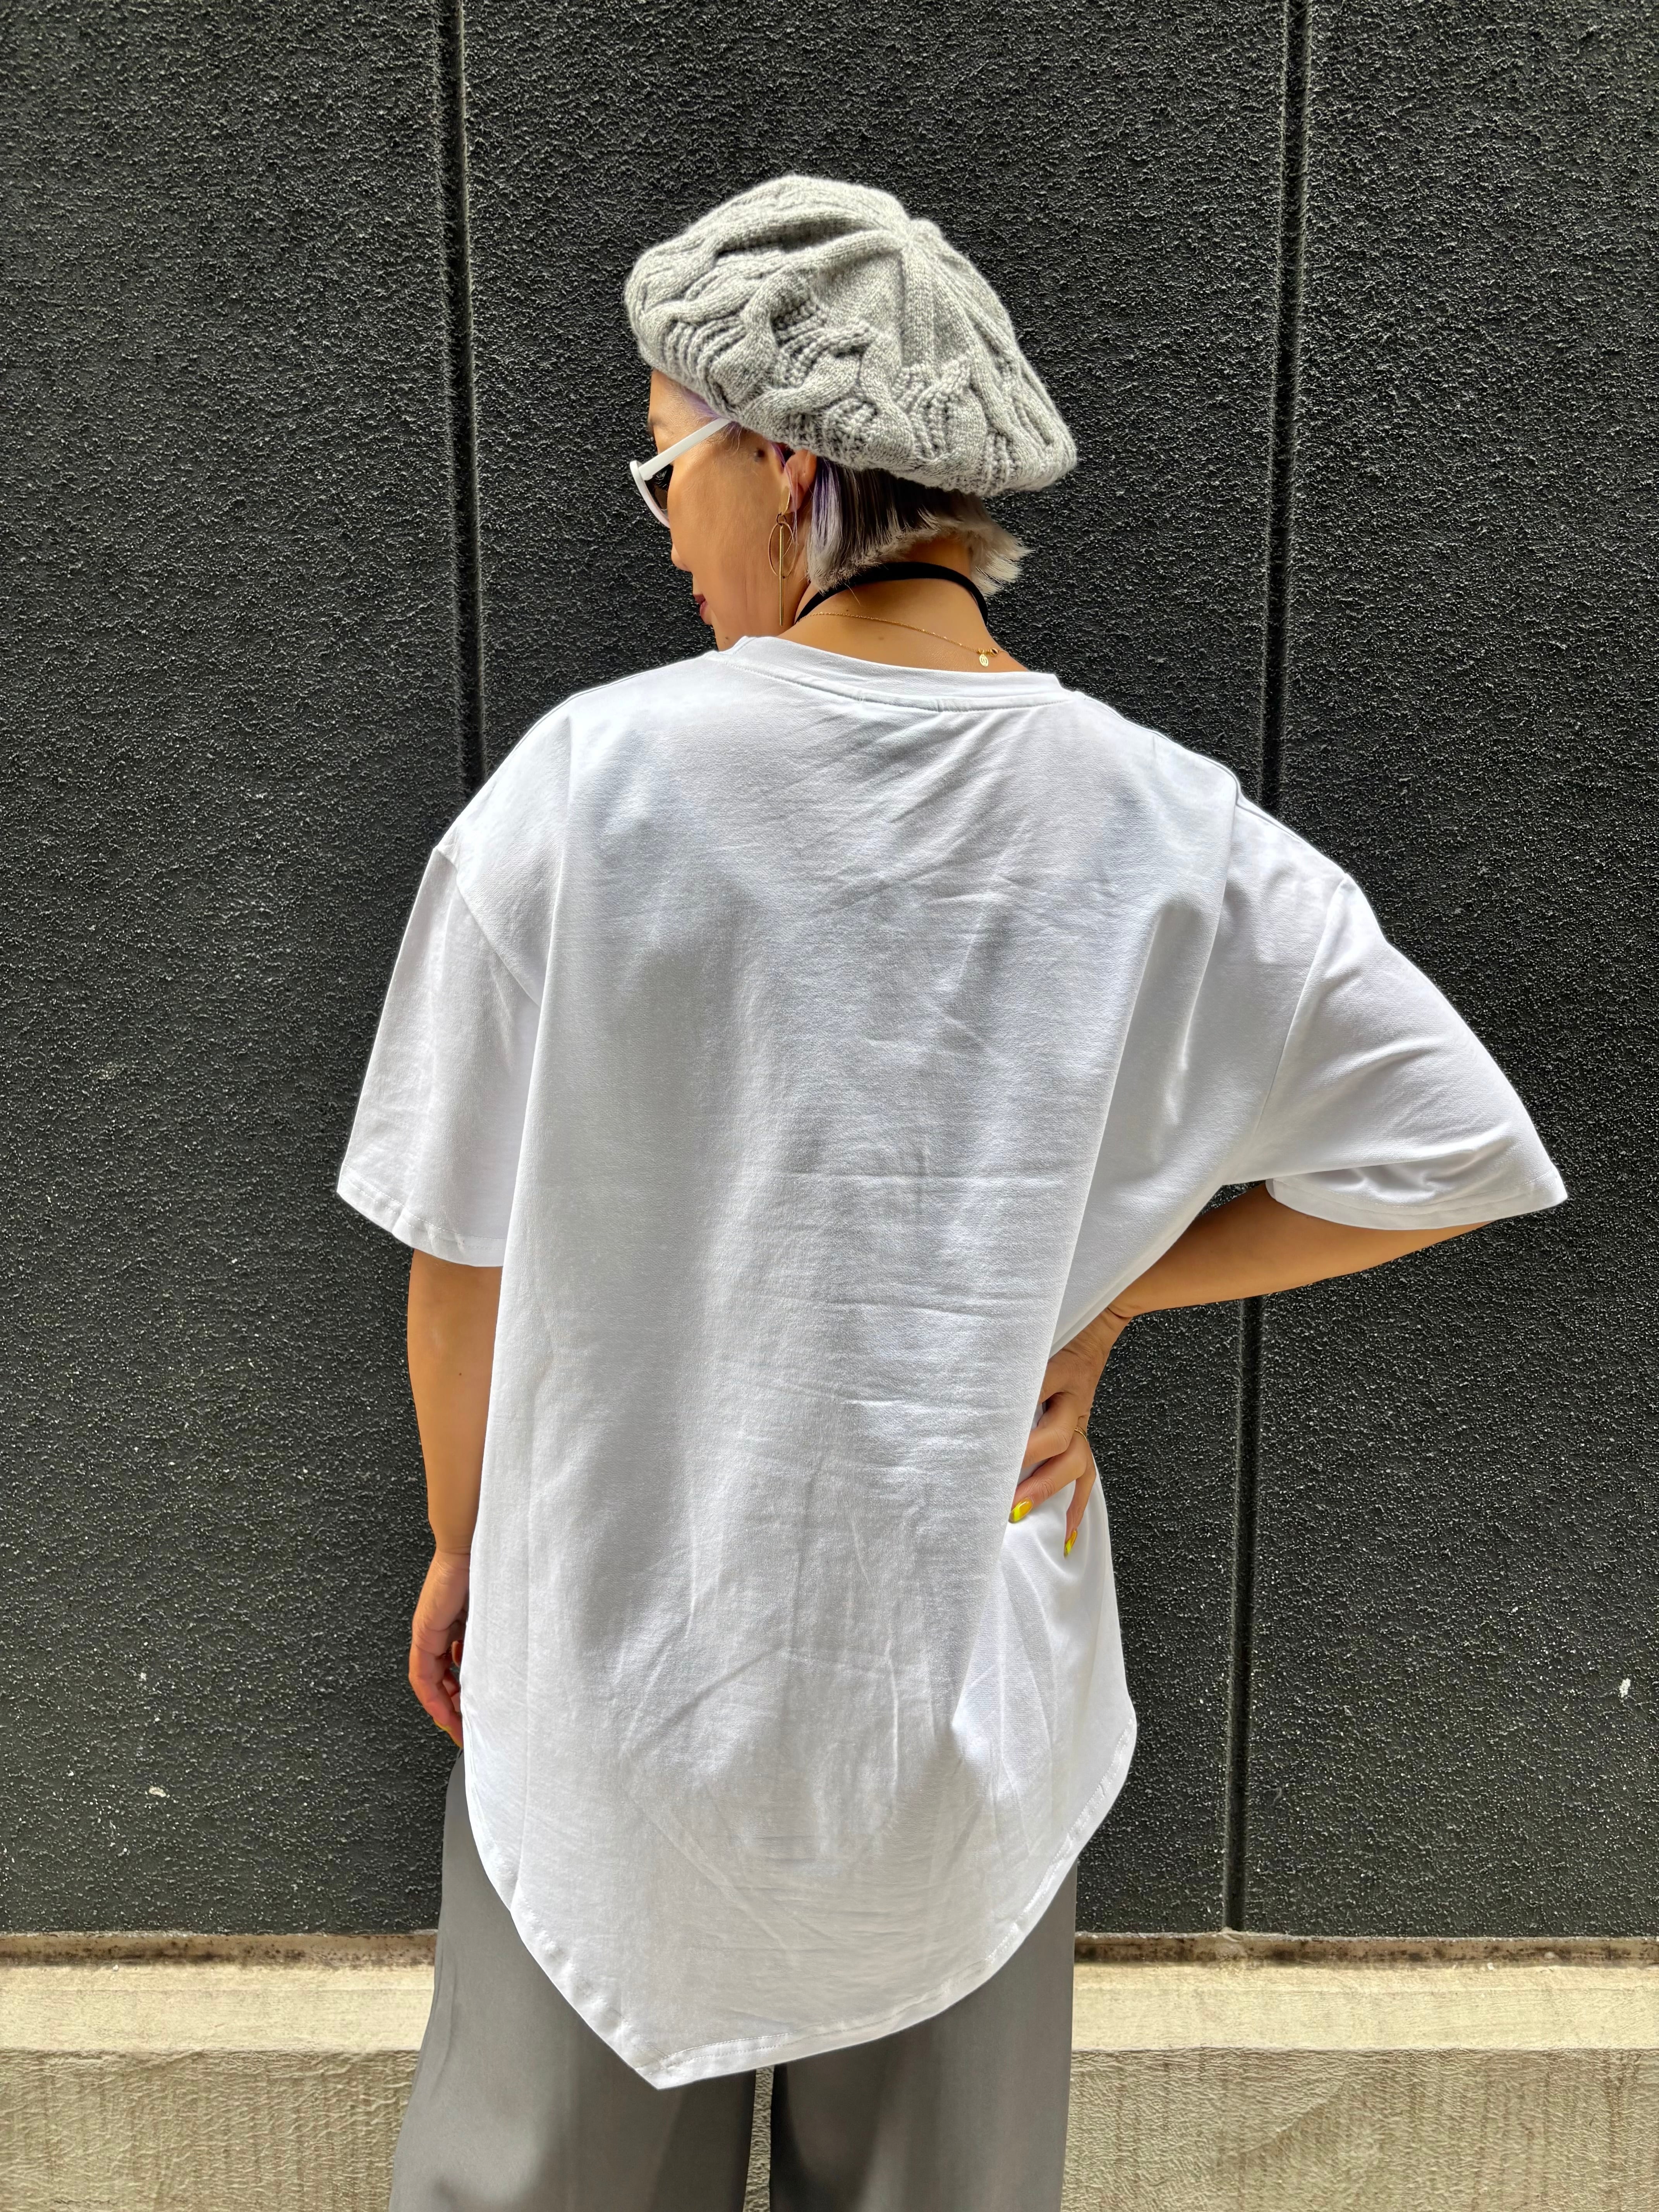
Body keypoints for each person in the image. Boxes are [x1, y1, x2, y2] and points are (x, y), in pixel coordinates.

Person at [335, 174, 1567, 2212]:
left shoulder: (582, 788)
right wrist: (1100, 1301)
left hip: (627, 1660)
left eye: (666, 463)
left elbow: (460, 1257)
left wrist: (467, 1545)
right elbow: (1447, 1147)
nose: (668, 528)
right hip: (957, 1686)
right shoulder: (1161, 822)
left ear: (784, 464)